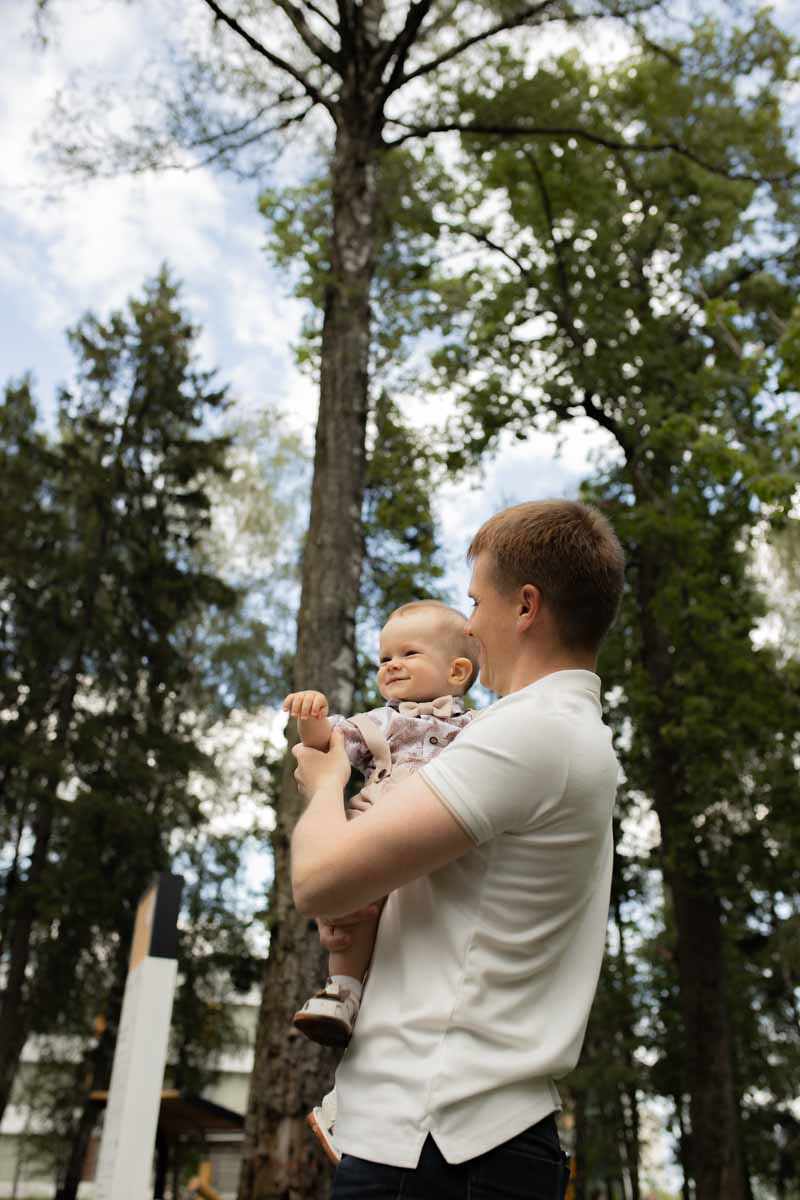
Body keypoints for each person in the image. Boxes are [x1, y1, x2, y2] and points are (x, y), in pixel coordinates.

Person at [291, 499, 625, 1200]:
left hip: (439, 1141)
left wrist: (327, 784)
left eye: (476, 601)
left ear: (526, 605)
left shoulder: (528, 734)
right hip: (446, 1136)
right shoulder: (559, 734)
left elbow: (320, 879)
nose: (469, 623)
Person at [286, 600, 479, 1049]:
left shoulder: (476, 727)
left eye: (409, 654)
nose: (392, 665)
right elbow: (326, 747)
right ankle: (344, 991)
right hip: (375, 821)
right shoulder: (379, 722)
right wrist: (309, 719)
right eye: (384, 658)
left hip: (436, 825)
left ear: (456, 672)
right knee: (355, 907)